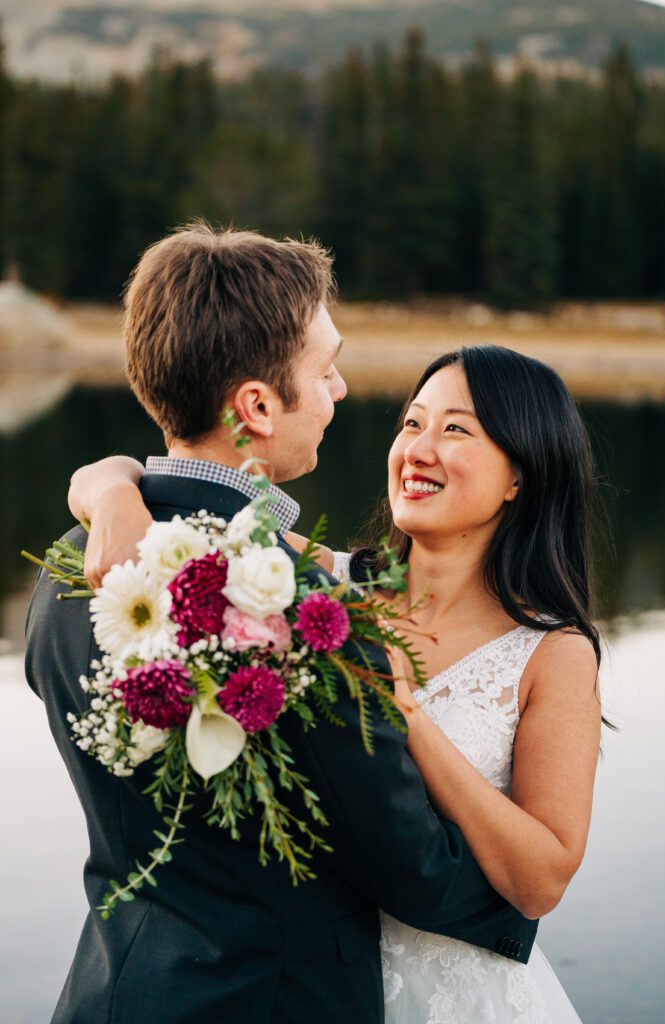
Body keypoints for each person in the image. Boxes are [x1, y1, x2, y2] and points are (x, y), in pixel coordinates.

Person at [25, 223, 534, 1024]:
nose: (338, 392)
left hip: (111, 994)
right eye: (324, 370)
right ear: (257, 406)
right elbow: (412, 867)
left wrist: (109, 482)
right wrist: (526, 903)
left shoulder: (66, 567)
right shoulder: (299, 616)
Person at [71, 342, 603, 1023]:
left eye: (455, 429)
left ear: (518, 477)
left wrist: (407, 715)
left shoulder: (550, 651)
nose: (418, 449)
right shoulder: (321, 585)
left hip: (455, 994)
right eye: (411, 423)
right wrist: (115, 494)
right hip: (304, 982)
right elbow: (176, 480)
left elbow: (541, 879)